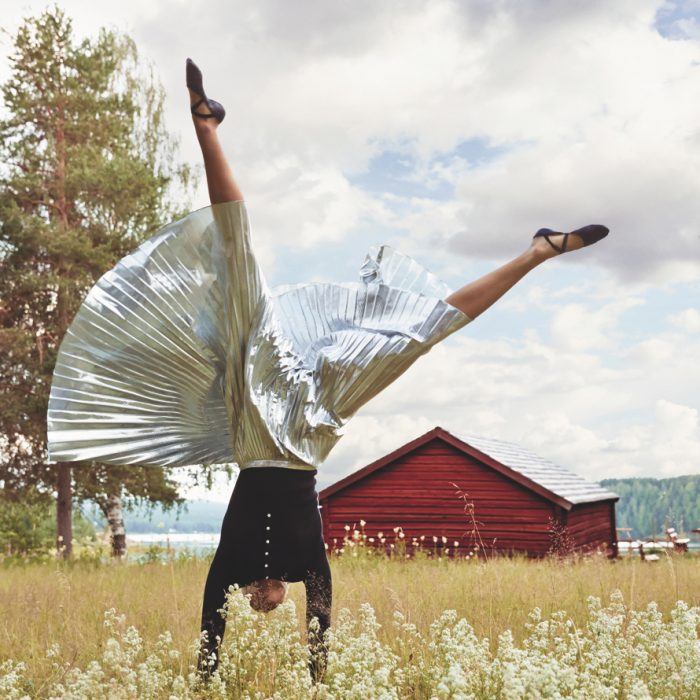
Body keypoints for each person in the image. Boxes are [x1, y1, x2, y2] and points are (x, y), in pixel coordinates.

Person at [46, 57, 609, 686]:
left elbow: (212, 616)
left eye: (254, 605)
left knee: (239, 257)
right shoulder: (305, 561)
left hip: (254, 397)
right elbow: (321, 614)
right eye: (268, 605)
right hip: (321, 408)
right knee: (425, 328)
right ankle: (536, 251)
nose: (261, 605)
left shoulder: (231, 562)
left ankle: (208, 128)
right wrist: (320, 682)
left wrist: (204, 683)